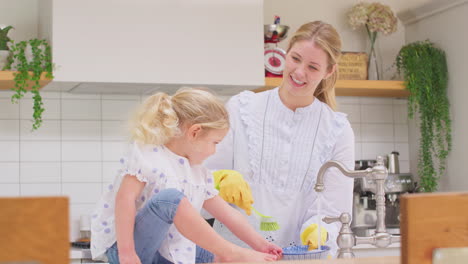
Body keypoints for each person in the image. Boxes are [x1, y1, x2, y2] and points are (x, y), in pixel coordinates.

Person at [205, 21, 355, 257]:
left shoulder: (337, 130)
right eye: (295, 59)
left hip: (300, 256)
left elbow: (335, 207)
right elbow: (198, 181)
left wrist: (321, 228)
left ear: (329, 71)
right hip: (235, 255)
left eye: (313, 67)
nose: (299, 72)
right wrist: (218, 179)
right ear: (286, 54)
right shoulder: (241, 108)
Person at [90, 88, 282, 264]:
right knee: (171, 199)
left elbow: (228, 215)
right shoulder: (148, 155)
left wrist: (261, 244)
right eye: (215, 142)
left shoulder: (198, 172)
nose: (215, 151)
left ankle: (229, 255)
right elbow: (124, 199)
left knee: (215, 256)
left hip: (164, 253)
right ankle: (230, 252)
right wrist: (127, 253)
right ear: (195, 132)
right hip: (128, 250)